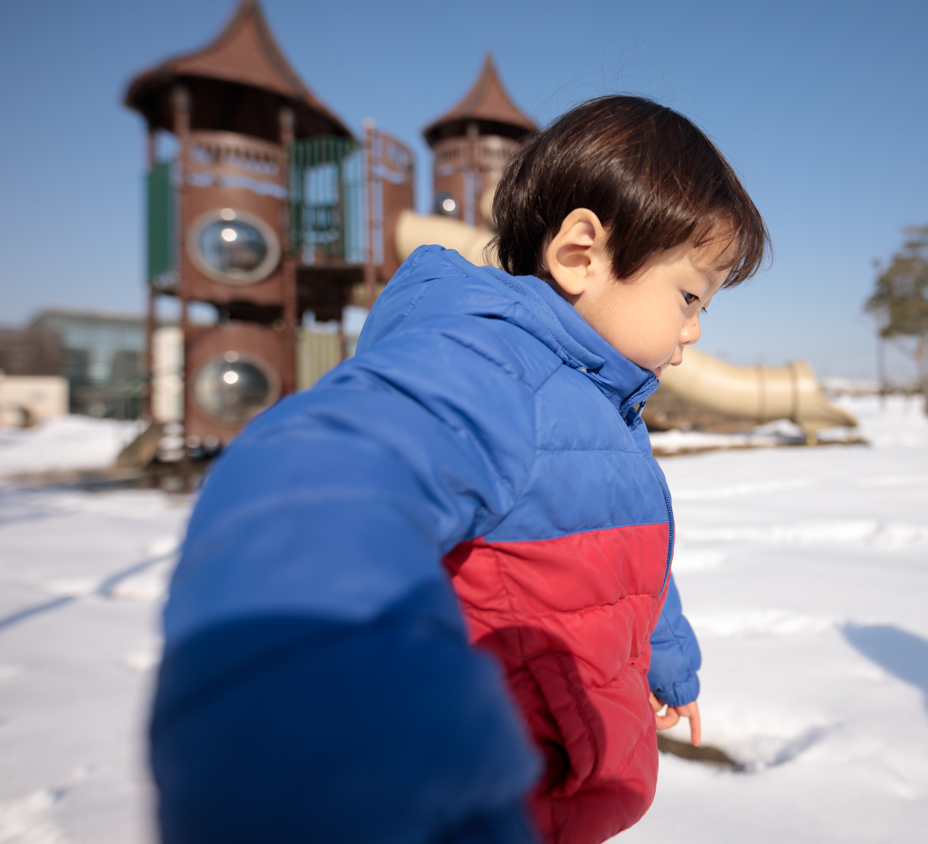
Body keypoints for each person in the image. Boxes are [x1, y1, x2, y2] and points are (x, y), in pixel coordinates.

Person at [149, 95, 769, 844]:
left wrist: (669, 663)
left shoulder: (601, 403)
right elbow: (309, 488)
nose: (695, 329)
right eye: (690, 295)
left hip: (563, 794)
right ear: (583, 253)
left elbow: (627, 554)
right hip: (476, 804)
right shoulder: (489, 371)